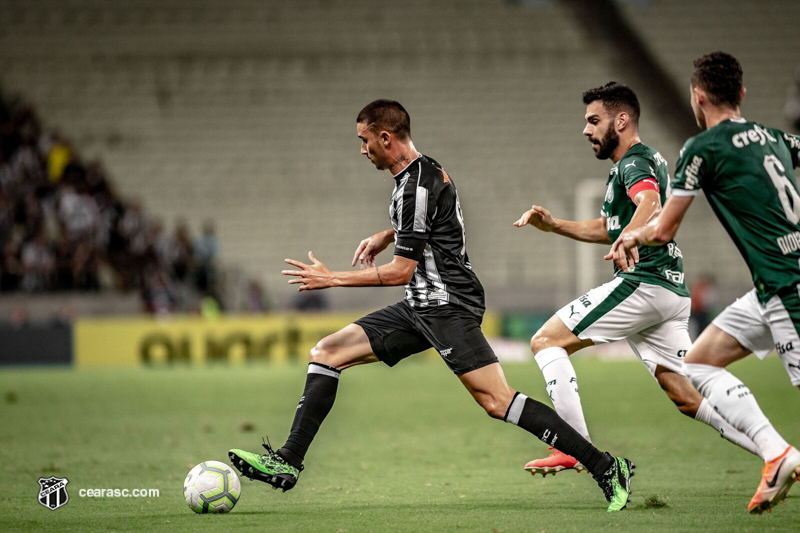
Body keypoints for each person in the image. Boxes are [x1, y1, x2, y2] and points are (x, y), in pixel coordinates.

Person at [229, 99, 634, 511]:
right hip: (420, 305)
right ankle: (289, 459)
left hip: (448, 305)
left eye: (364, 140)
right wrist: (390, 233)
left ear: (385, 138)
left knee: (497, 401)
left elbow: (400, 272)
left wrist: (331, 277)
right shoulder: (423, 171)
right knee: (328, 351)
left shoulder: (414, 186)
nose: (362, 149)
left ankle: (606, 467)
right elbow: (431, 221)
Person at [514, 82, 760, 477]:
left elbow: (651, 202)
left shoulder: (634, 163)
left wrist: (631, 235)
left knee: (545, 341)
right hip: (668, 290)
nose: (586, 130)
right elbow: (606, 227)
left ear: (622, 120)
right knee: (685, 394)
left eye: (594, 121)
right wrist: (556, 225)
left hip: (644, 283)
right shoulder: (632, 166)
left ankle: (574, 448)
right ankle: (776, 452)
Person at [610, 51, 800, 515]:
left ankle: (779, 455)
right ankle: (777, 454)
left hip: (788, 289)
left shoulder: (702, 149)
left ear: (698, 97)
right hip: (769, 290)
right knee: (697, 364)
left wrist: (630, 234)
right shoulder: (776, 138)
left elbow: (664, 228)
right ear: (741, 94)